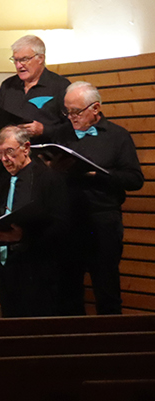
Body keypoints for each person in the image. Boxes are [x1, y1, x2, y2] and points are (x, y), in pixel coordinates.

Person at [54, 81, 145, 315]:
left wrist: (97, 174)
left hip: (102, 221)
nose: (71, 117)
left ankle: (110, 347)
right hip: (67, 221)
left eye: (76, 111)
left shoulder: (117, 136)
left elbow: (134, 179)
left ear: (95, 108)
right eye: (67, 111)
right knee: (67, 291)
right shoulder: (62, 133)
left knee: (106, 290)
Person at [0, 126, 68, 317]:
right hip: (9, 271)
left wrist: (24, 236)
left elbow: (62, 226)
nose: (4, 159)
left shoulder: (48, 179)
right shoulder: (5, 180)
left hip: (38, 272)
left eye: (9, 152)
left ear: (26, 148)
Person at [0, 34, 71, 142]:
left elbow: (73, 128)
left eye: (24, 59)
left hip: (44, 155)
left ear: (40, 58)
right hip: (11, 155)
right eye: (15, 60)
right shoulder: (8, 86)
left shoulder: (60, 86)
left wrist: (44, 130)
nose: (19, 65)